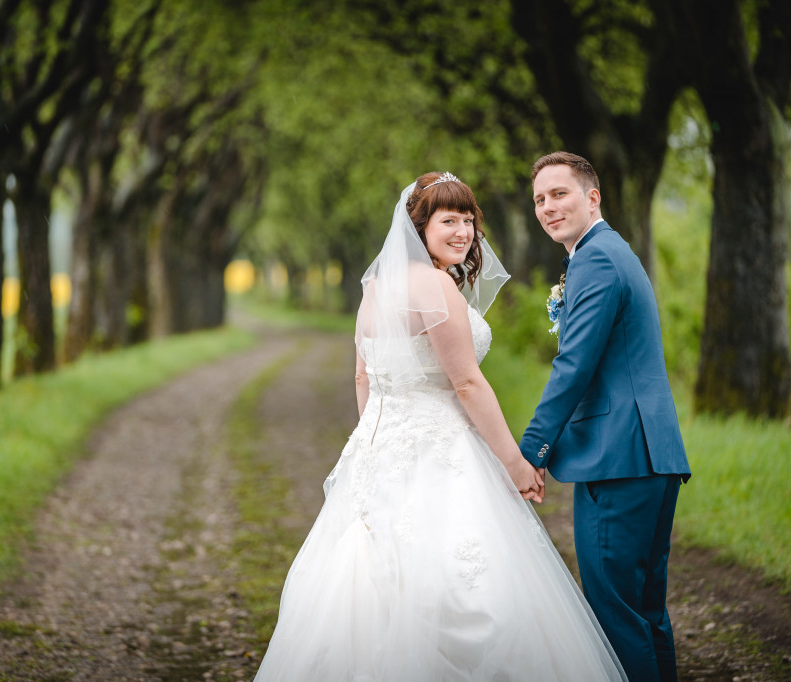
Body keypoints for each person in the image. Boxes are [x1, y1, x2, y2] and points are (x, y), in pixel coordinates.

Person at [253, 172, 627, 681]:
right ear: (419, 228)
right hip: (440, 448)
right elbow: (468, 385)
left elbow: (364, 377)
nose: (464, 233)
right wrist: (516, 465)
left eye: (469, 221)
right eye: (449, 221)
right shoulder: (435, 286)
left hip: (378, 449)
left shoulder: (375, 288)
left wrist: (382, 440)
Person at [518, 151, 692, 682]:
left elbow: (574, 367)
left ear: (593, 196)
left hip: (619, 460)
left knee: (616, 617)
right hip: (649, 455)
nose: (548, 207)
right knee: (645, 613)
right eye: (539, 200)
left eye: (559, 194)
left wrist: (530, 451)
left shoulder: (596, 259)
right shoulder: (609, 252)